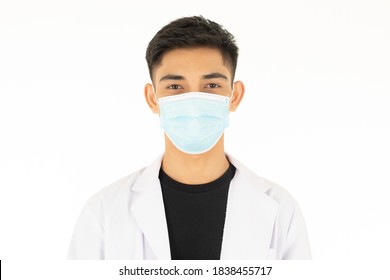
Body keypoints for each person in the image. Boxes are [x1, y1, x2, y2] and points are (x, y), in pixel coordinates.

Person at [67, 15, 312, 260]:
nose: (194, 101)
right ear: (153, 99)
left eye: (211, 86)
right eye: (175, 87)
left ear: (234, 96)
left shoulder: (281, 210)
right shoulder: (104, 213)